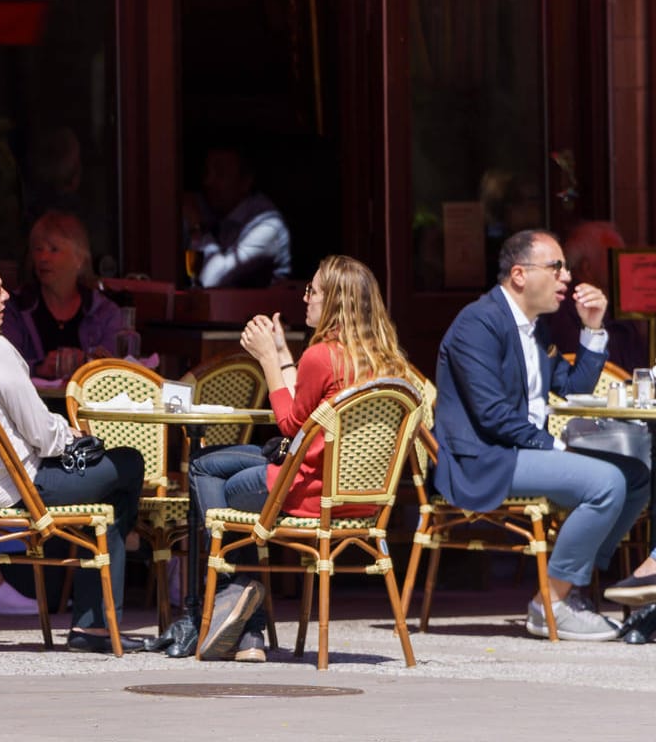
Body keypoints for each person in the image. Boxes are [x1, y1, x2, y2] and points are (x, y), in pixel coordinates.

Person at [188, 255, 415, 662]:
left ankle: (233, 597)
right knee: (211, 463)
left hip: (301, 492)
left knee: (205, 470)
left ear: (334, 303)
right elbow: (311, 406)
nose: (305, 298)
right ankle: (244, 628)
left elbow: (291, 424)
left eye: (312, 291)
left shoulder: (323, 355)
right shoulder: (389, 362)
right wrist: (283, 353)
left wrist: (267, 361)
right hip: (360, 500)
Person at [0, 252, 149, 654]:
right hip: (19, 488)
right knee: (127, 463)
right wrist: (76, 436)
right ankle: (94, 622)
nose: (6, 296)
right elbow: (41, 435)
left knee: (106, 493)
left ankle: (94, 617)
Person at [433, 229, 650, 641]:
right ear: (519, 275)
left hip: (522, 451)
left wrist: (592, 329)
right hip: (485, 458)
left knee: (638, 473)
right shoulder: (478, 323)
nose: (566, 277)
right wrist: (556, 445)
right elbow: (492, 415)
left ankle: (574, 588)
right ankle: (549, 602)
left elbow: (574, 385)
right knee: (604, 483)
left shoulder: (535, 328)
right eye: (556, 267)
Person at [4, 211, 126, 379]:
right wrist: (38, 368)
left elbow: (117, 369)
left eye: (54, 250)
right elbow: (2, 365)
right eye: (38, 249)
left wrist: (87, 362)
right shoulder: (16, 307)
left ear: (79, 259)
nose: (43, 258)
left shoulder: (104, 312)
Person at [544, 220, 649, 373]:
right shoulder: (563, 308)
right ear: (586, 267)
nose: (623, 264)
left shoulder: (621, 304)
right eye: (614, 256)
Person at [185, 147, 291, 288]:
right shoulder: (213, 207)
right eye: (206, 172)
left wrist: (196, 228)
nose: (208, 181)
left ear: (246, 181)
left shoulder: (267, 227)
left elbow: (210, 280)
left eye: (219, 173)